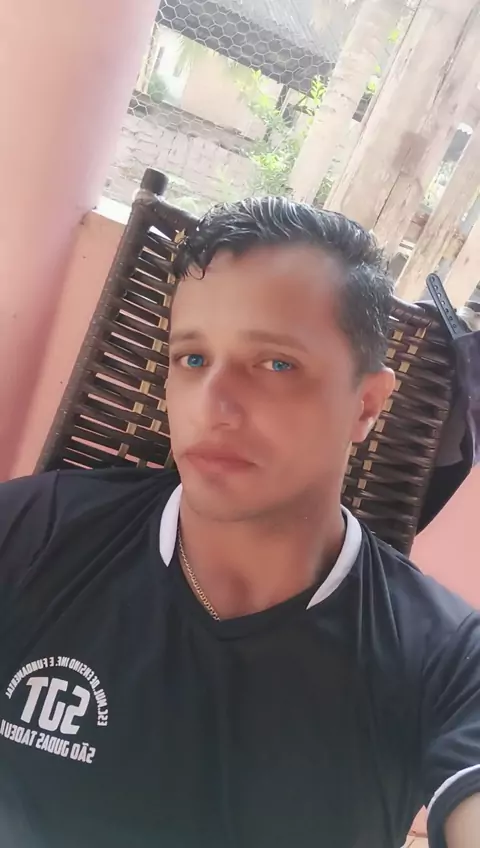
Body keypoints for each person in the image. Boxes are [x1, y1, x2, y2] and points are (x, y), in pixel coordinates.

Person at [0, 197, 479, 848]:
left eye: (276, 364)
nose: (213, 406)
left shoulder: (446, 658)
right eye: (192, 359)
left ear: (366, 404)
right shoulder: (35, 532)